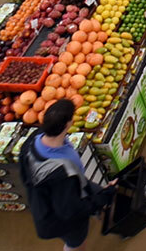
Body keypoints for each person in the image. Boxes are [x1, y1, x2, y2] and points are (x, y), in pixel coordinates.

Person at [20, 99, 115, 251]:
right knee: (76, 244)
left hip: (59, 194)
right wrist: (102, 197)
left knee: (100, 194)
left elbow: (26, 175)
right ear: (67, 124)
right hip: (60, 219)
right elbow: (72, 209)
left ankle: (105, 215)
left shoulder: (33, 140)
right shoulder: (61, 174)